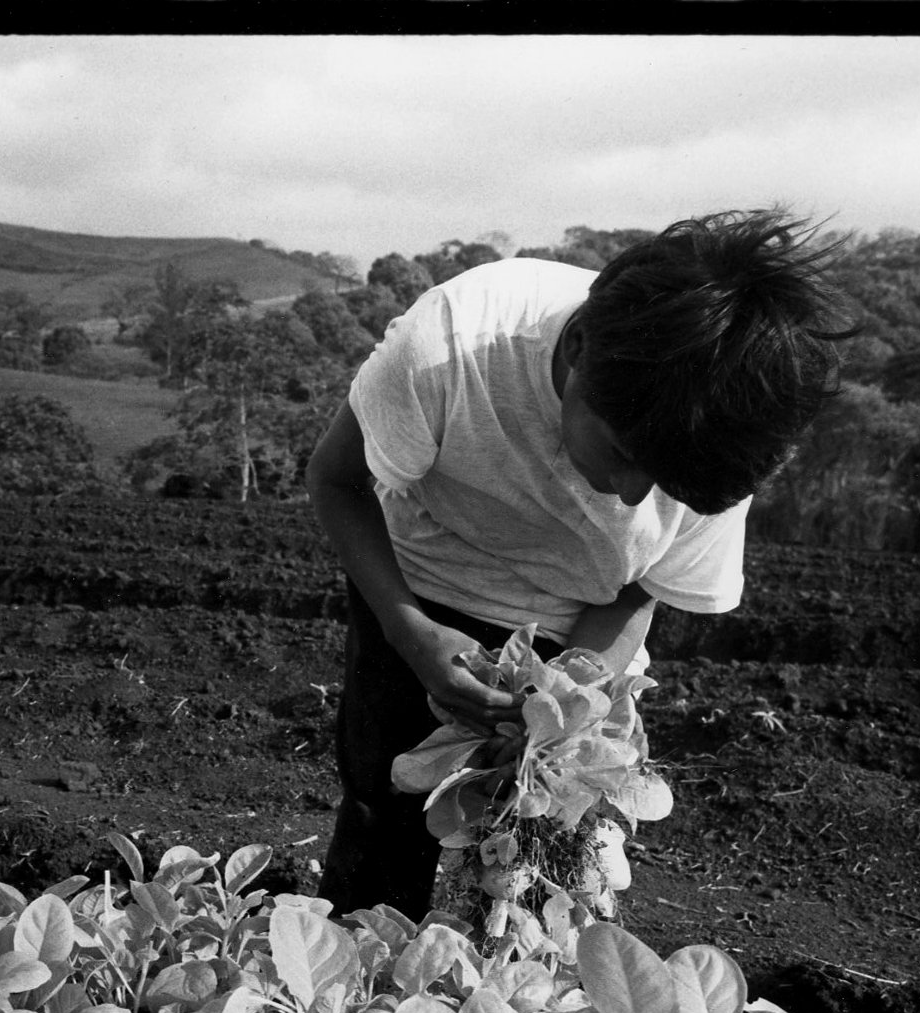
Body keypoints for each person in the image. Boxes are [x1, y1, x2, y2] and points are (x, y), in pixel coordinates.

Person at [307, 209, 856, 920]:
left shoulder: (718, 434)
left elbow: (641, 587)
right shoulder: (452, 345)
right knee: (385, 816)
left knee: (549, 867)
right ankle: (355, 994)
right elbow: (337, 480)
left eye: (662, 483)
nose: (632, 495)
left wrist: (571, 694)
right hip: (418, 591)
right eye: (626, 456)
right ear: (577, 350)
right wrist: (410, 632)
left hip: (583, 632)